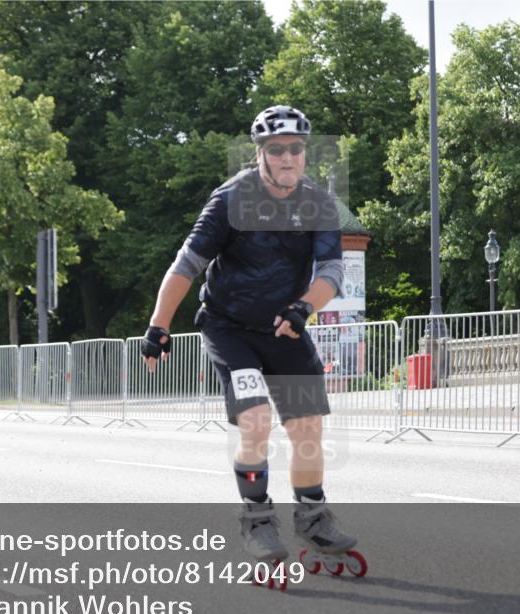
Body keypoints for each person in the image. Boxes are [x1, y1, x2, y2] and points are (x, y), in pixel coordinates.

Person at [140, 105, 357, 565]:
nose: (288, 159)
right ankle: (257, 521)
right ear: (260, 153)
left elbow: (332, 270)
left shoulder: (317, 203)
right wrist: (159, 324)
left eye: (296, 149)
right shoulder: (230, 200)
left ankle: (313, 517)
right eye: (277, 150)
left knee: (308, 429)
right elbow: (187, 265)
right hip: (229, 326)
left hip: (285, 327)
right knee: (256, 421)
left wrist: (303, 308)